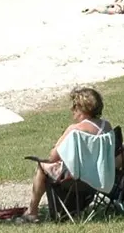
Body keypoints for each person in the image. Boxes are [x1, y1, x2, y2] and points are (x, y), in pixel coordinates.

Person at [25, 86, 111, 218]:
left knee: (43, 166)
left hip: (77, 179)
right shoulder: (106, 126)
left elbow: (52, 157)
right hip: (99, 178)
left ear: (82, 108)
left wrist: (56, 146)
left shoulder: (74, 130)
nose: (72, 110)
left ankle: (32, 211)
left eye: (74, 106)